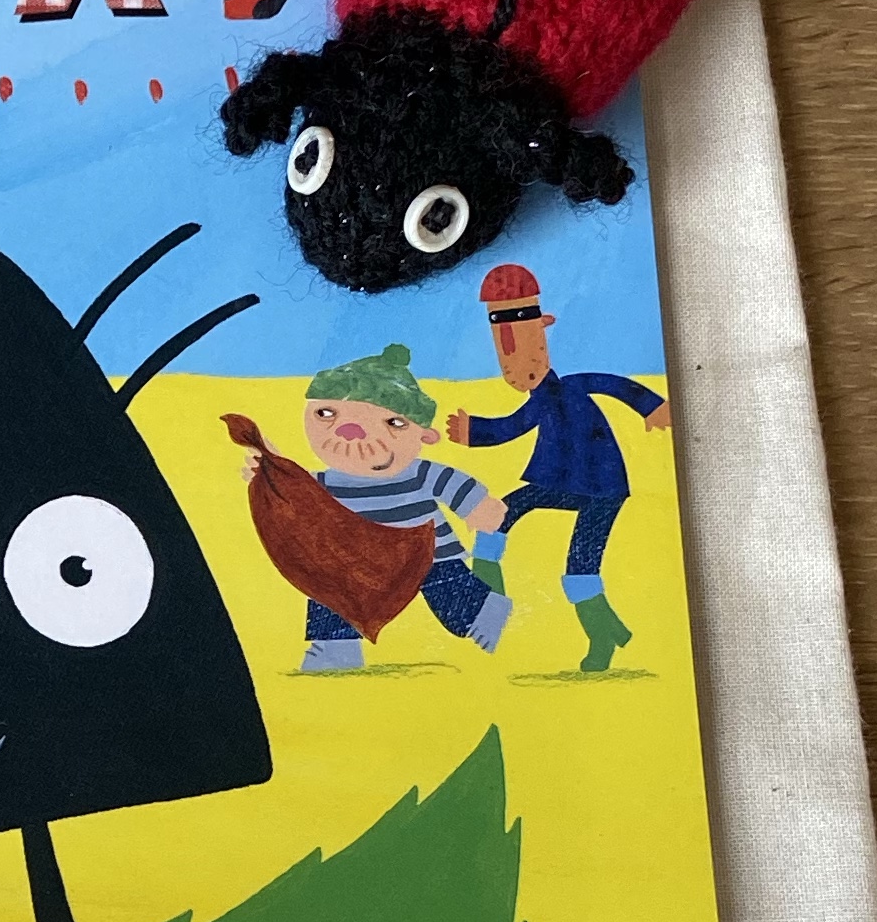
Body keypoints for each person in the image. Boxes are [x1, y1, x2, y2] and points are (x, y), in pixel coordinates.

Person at [444, 262, 671, 670]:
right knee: (497, 515)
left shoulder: (567, 388)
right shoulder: (543, 396)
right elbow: (516, 422)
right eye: (509, 370)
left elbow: (611, 386)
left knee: (579, 568)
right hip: (559, 483)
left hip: (601, 489)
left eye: (526, 365)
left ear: (544, 333)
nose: (518, 376)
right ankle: (490, 596)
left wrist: (652, 407)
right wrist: (472, 431)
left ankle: (602, 634)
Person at [246, 343, 509, 671]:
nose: (351, 432)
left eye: (391, 422)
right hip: (354, 562)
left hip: (428, 556)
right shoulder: (322, 483)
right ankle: (335, 649)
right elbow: (294, 491)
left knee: (454, 603)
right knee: (330, 588)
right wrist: (270, 472)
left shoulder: (419, 473)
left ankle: (484, 609)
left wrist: (478, 508)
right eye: (326, 414)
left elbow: (454, 486)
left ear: (424, 436)